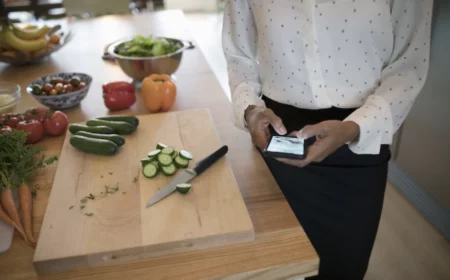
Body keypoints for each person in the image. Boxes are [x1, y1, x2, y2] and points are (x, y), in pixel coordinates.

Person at [222, 1, 433, 279]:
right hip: (275, 143)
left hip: (356, 150)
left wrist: (356, 126)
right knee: (273, 269)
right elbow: (239, 54)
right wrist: (249, 108)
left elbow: (408, 66)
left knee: (342, 270)